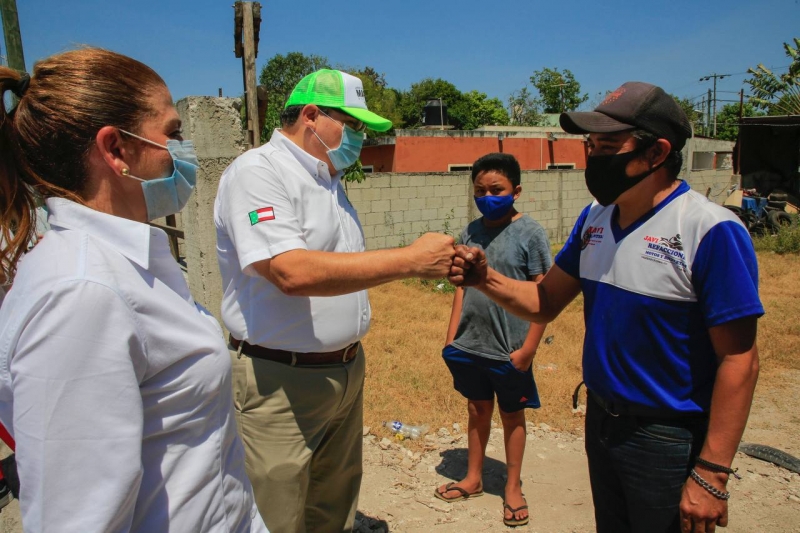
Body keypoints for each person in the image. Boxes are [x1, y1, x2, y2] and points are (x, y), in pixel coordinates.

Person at [448, 82, 762, 533]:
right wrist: (484, 278)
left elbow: (739, 359)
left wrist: (712, 472)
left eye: (608, 146)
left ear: (656, 153)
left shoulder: (708, 229)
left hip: (667, 434)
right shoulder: (595, 218)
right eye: (590, 145)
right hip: (601, 422)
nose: (593, 157)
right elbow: (543, 301)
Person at [0, 48, 267, 532]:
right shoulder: (80, 294)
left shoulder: (125, 265)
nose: (181, 152)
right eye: (172, 134)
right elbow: (80, 519)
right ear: (116, 150)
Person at [214, 68, 455, 533]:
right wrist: (409, 260)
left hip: (343, 372)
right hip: (278, 380)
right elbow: (291, 271)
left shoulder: (328, 178)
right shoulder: (258, 172)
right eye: (352, 123)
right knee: (275, 514)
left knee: (333, 505)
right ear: (311, 115)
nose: (359, 137)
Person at [433, 153, 551, 527]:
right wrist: (452, 337)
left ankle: (512, 487)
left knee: (512, 415)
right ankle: (473, 477)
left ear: (516, 191)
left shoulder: (530, 234)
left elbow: (543, 294)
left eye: (496, 190)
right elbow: (460, 288)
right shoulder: (470, 232)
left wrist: (529, 348)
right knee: (476, 408)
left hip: (510, 350)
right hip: (471, 346)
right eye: (480, 190)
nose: (488, 196)